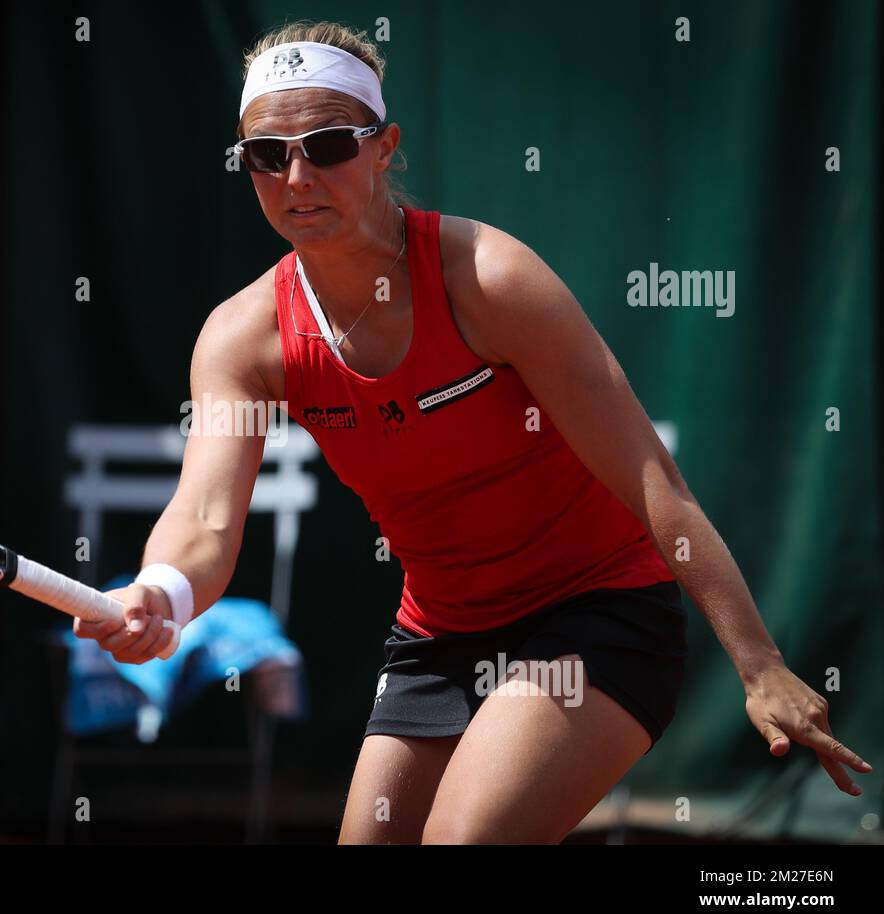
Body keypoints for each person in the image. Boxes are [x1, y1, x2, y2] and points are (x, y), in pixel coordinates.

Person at [71, 21, 871, 844]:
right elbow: (205, 517)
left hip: (598, 611)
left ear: (385, 148)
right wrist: (160, 591)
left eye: (329, 145)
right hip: (439, 636)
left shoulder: (491, 279)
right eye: (267, 156)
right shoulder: (243, 340)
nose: (298, 176)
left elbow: (648, 477)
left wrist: (759, 661)